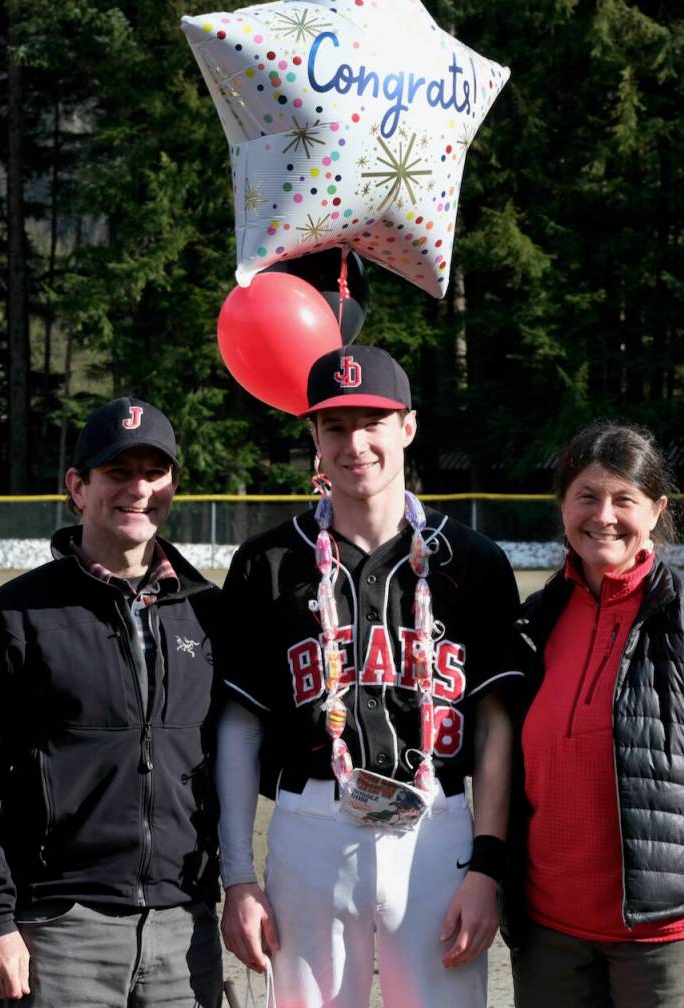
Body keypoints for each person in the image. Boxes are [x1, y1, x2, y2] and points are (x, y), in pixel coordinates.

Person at [214, 345, 521, 1007]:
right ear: (314, 439)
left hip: (437, 830)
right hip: (309, 829)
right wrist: (238, 878)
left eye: (372, 422)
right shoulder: (266, 564)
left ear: (407, 427)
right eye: (334, 425)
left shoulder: (473, 560)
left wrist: (487, 870)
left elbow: (498, 724)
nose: (355, 443)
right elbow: (238, 727)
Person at [503, 421, 684, 1008]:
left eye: (624, 500)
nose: (603, 516)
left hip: (668, 937)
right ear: (563, 505)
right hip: (549, 936)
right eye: (586, 496)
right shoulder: (534, 624)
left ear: (657, 511)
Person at [0, 397, 223, 1007]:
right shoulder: (14, 617)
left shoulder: (210, 614)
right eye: (118, 472)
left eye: (154, 472)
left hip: (184, 931)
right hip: (60, 930)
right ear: (78, 485)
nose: (138, 489)